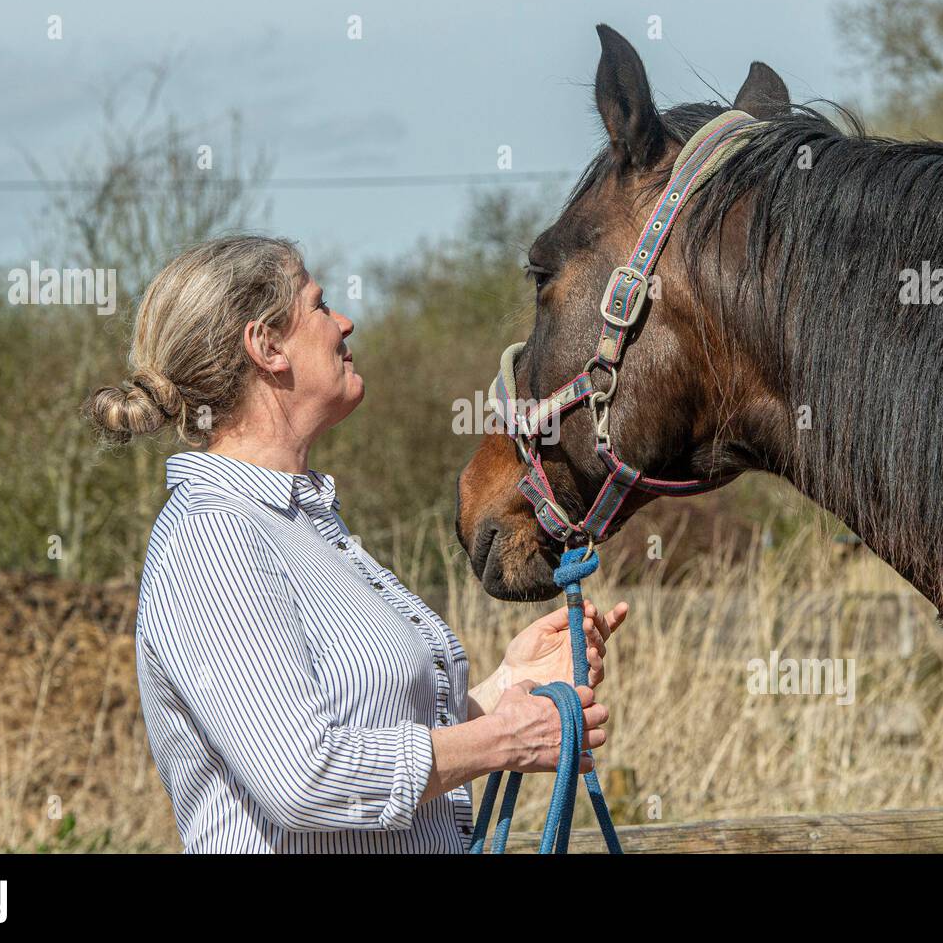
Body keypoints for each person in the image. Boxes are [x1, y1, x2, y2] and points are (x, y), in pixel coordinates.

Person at [84, 235, 626, 852]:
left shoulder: (305, 525)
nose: (345, 322)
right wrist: (506, 741)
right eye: (319, 306)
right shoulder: (213, 536)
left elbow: (374, 736)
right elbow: (303, 776)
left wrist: (509, 687)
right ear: (266, 347)